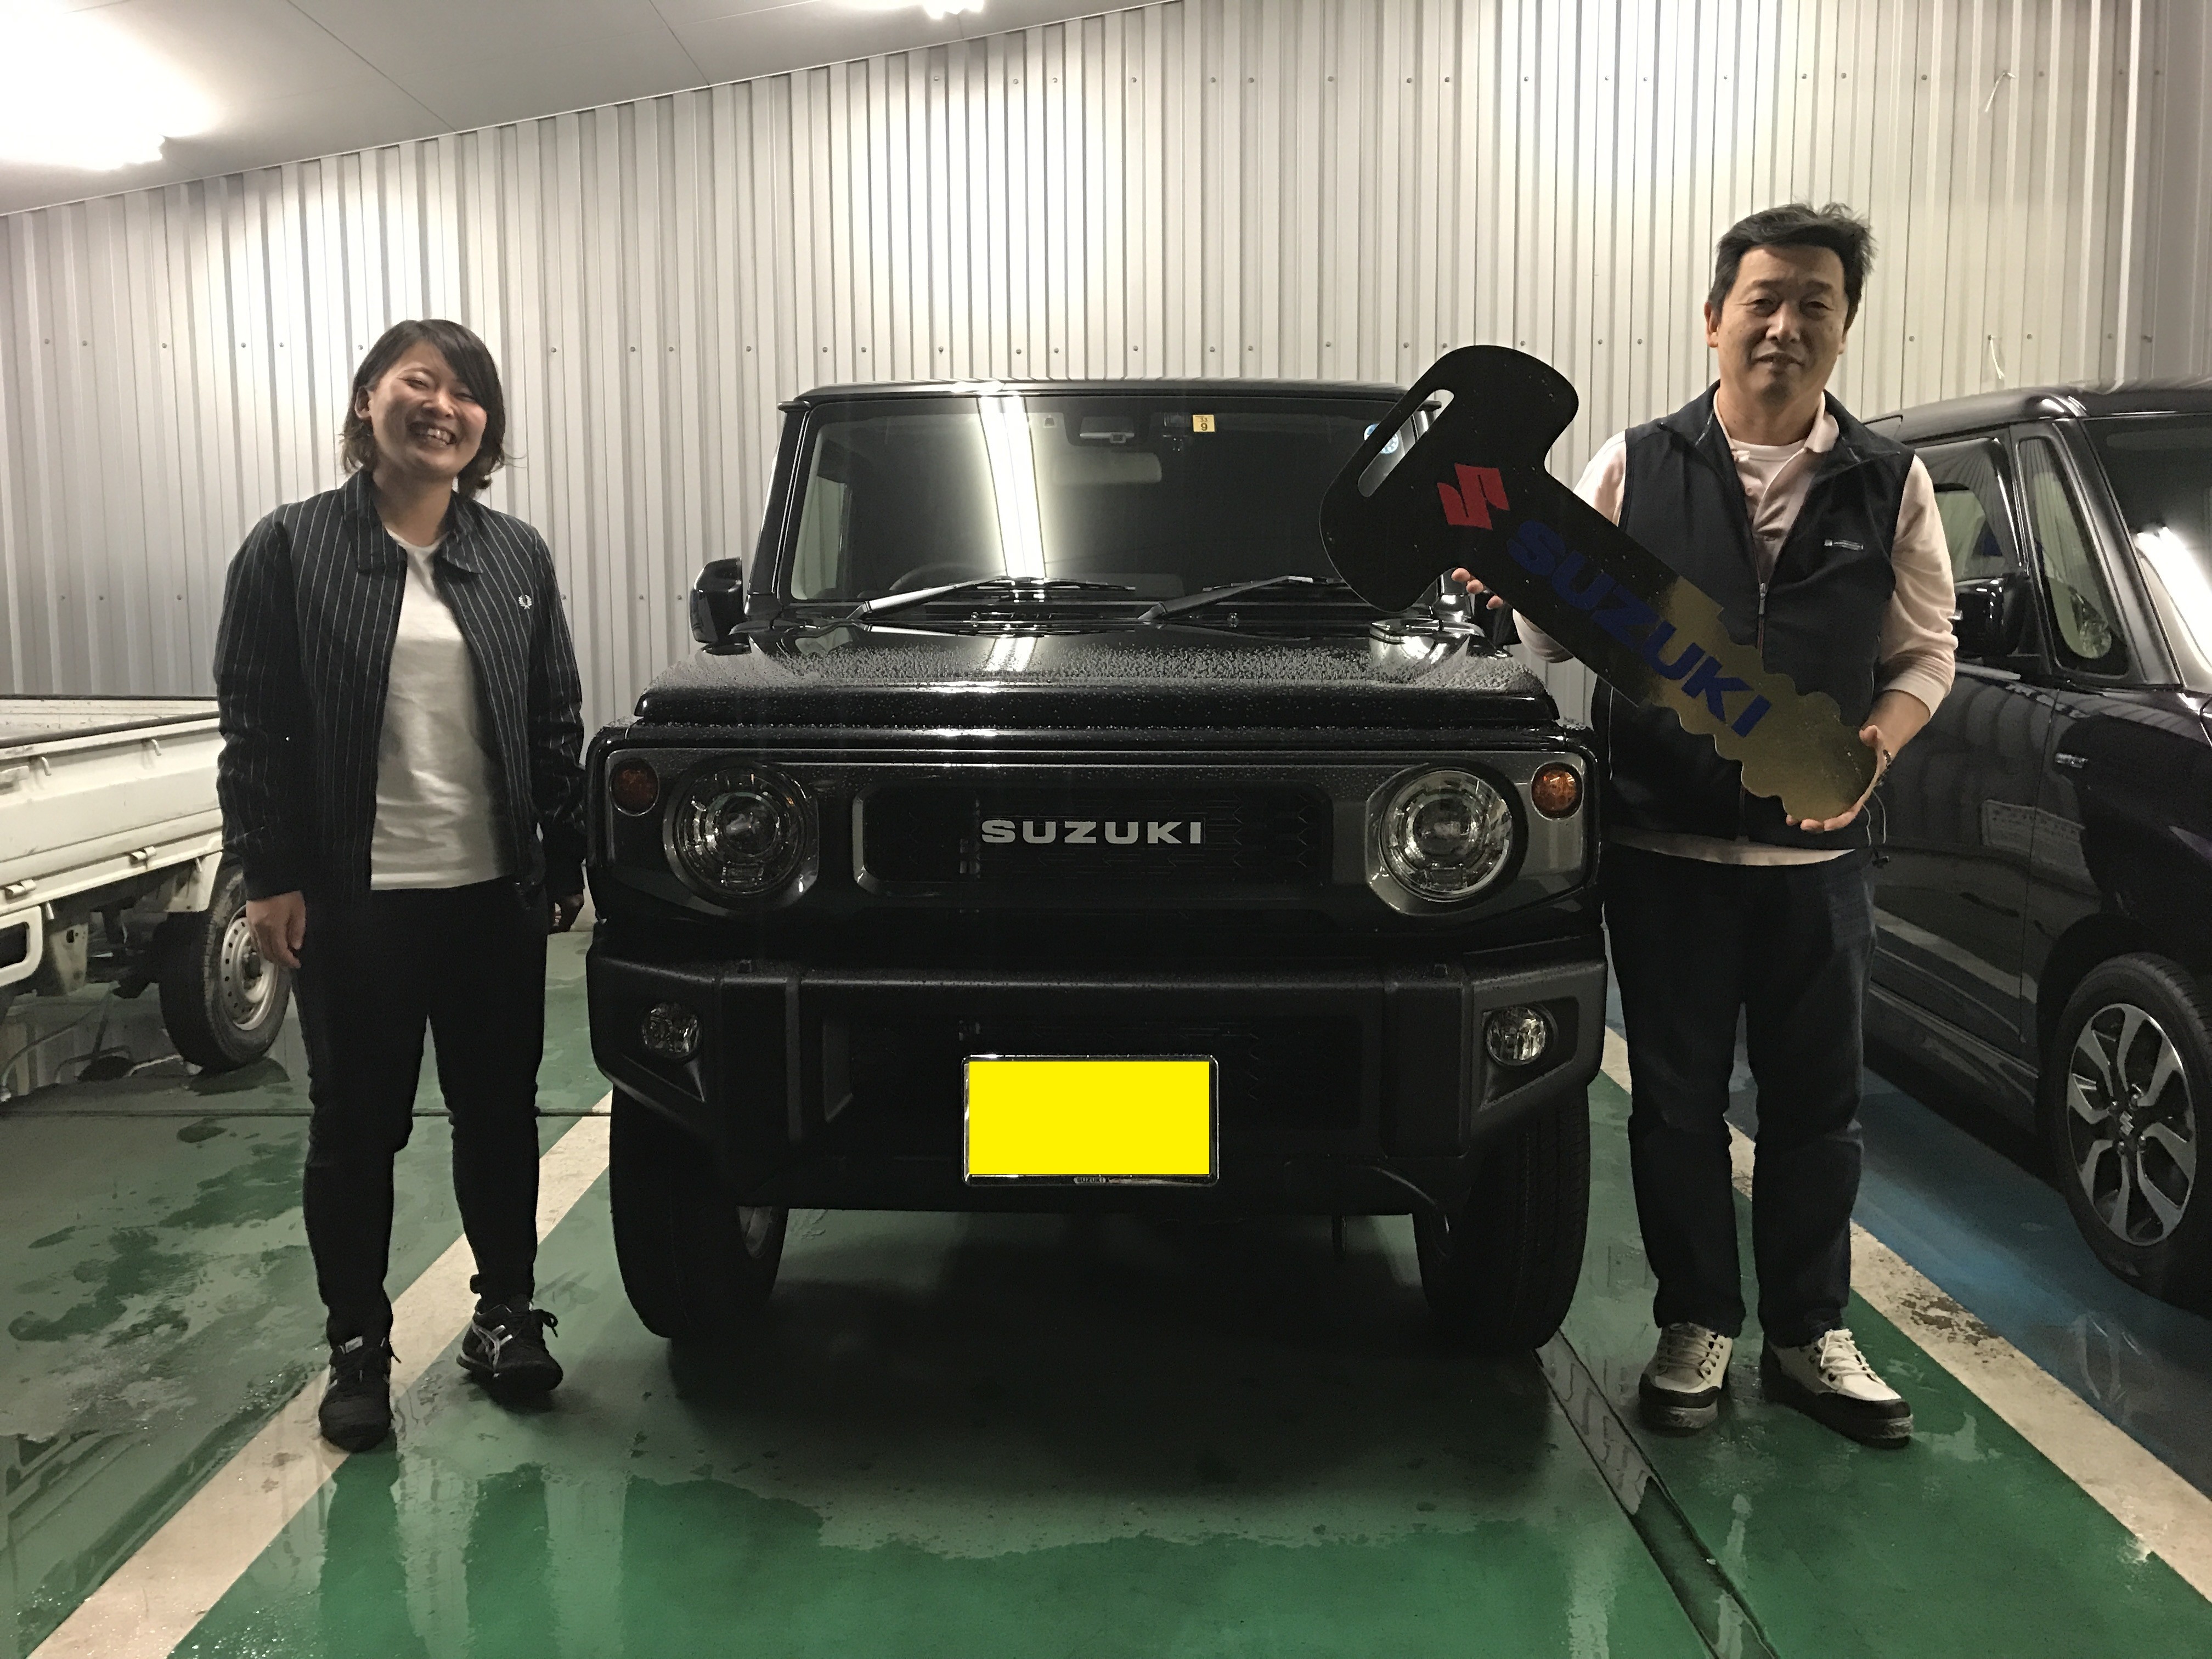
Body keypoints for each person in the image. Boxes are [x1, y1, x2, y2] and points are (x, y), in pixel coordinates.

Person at [1455, 204, 1955, 1446]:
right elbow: (1556, 633)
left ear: (1845, 326)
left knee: (1818, 1112)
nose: (1786, 325)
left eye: (1815, 303)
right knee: (1676, 1111)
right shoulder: (1636, 464)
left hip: (1818, 865)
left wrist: (1874, 746)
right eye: (1764, 300)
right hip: (1667, 854)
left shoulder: (1889, 482)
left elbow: (1925, 653)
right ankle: (1696, 1323)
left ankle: (1808, 1334)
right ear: (1715, 318)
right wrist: (1507, 577)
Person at [214, 318, 589, 1453]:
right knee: (356, 1126)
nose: (444, 406)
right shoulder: (291, 547)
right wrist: (270, 875)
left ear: (486, 427)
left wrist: (564, 855)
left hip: (490, 891)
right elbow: (257, 725)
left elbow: (553, 712)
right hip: (356, 896)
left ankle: (504, 1314)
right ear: (367, 399)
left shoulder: (515, 555)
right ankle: (358, 1346)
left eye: (467, 393)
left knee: (499, 1114)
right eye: (419, 381)